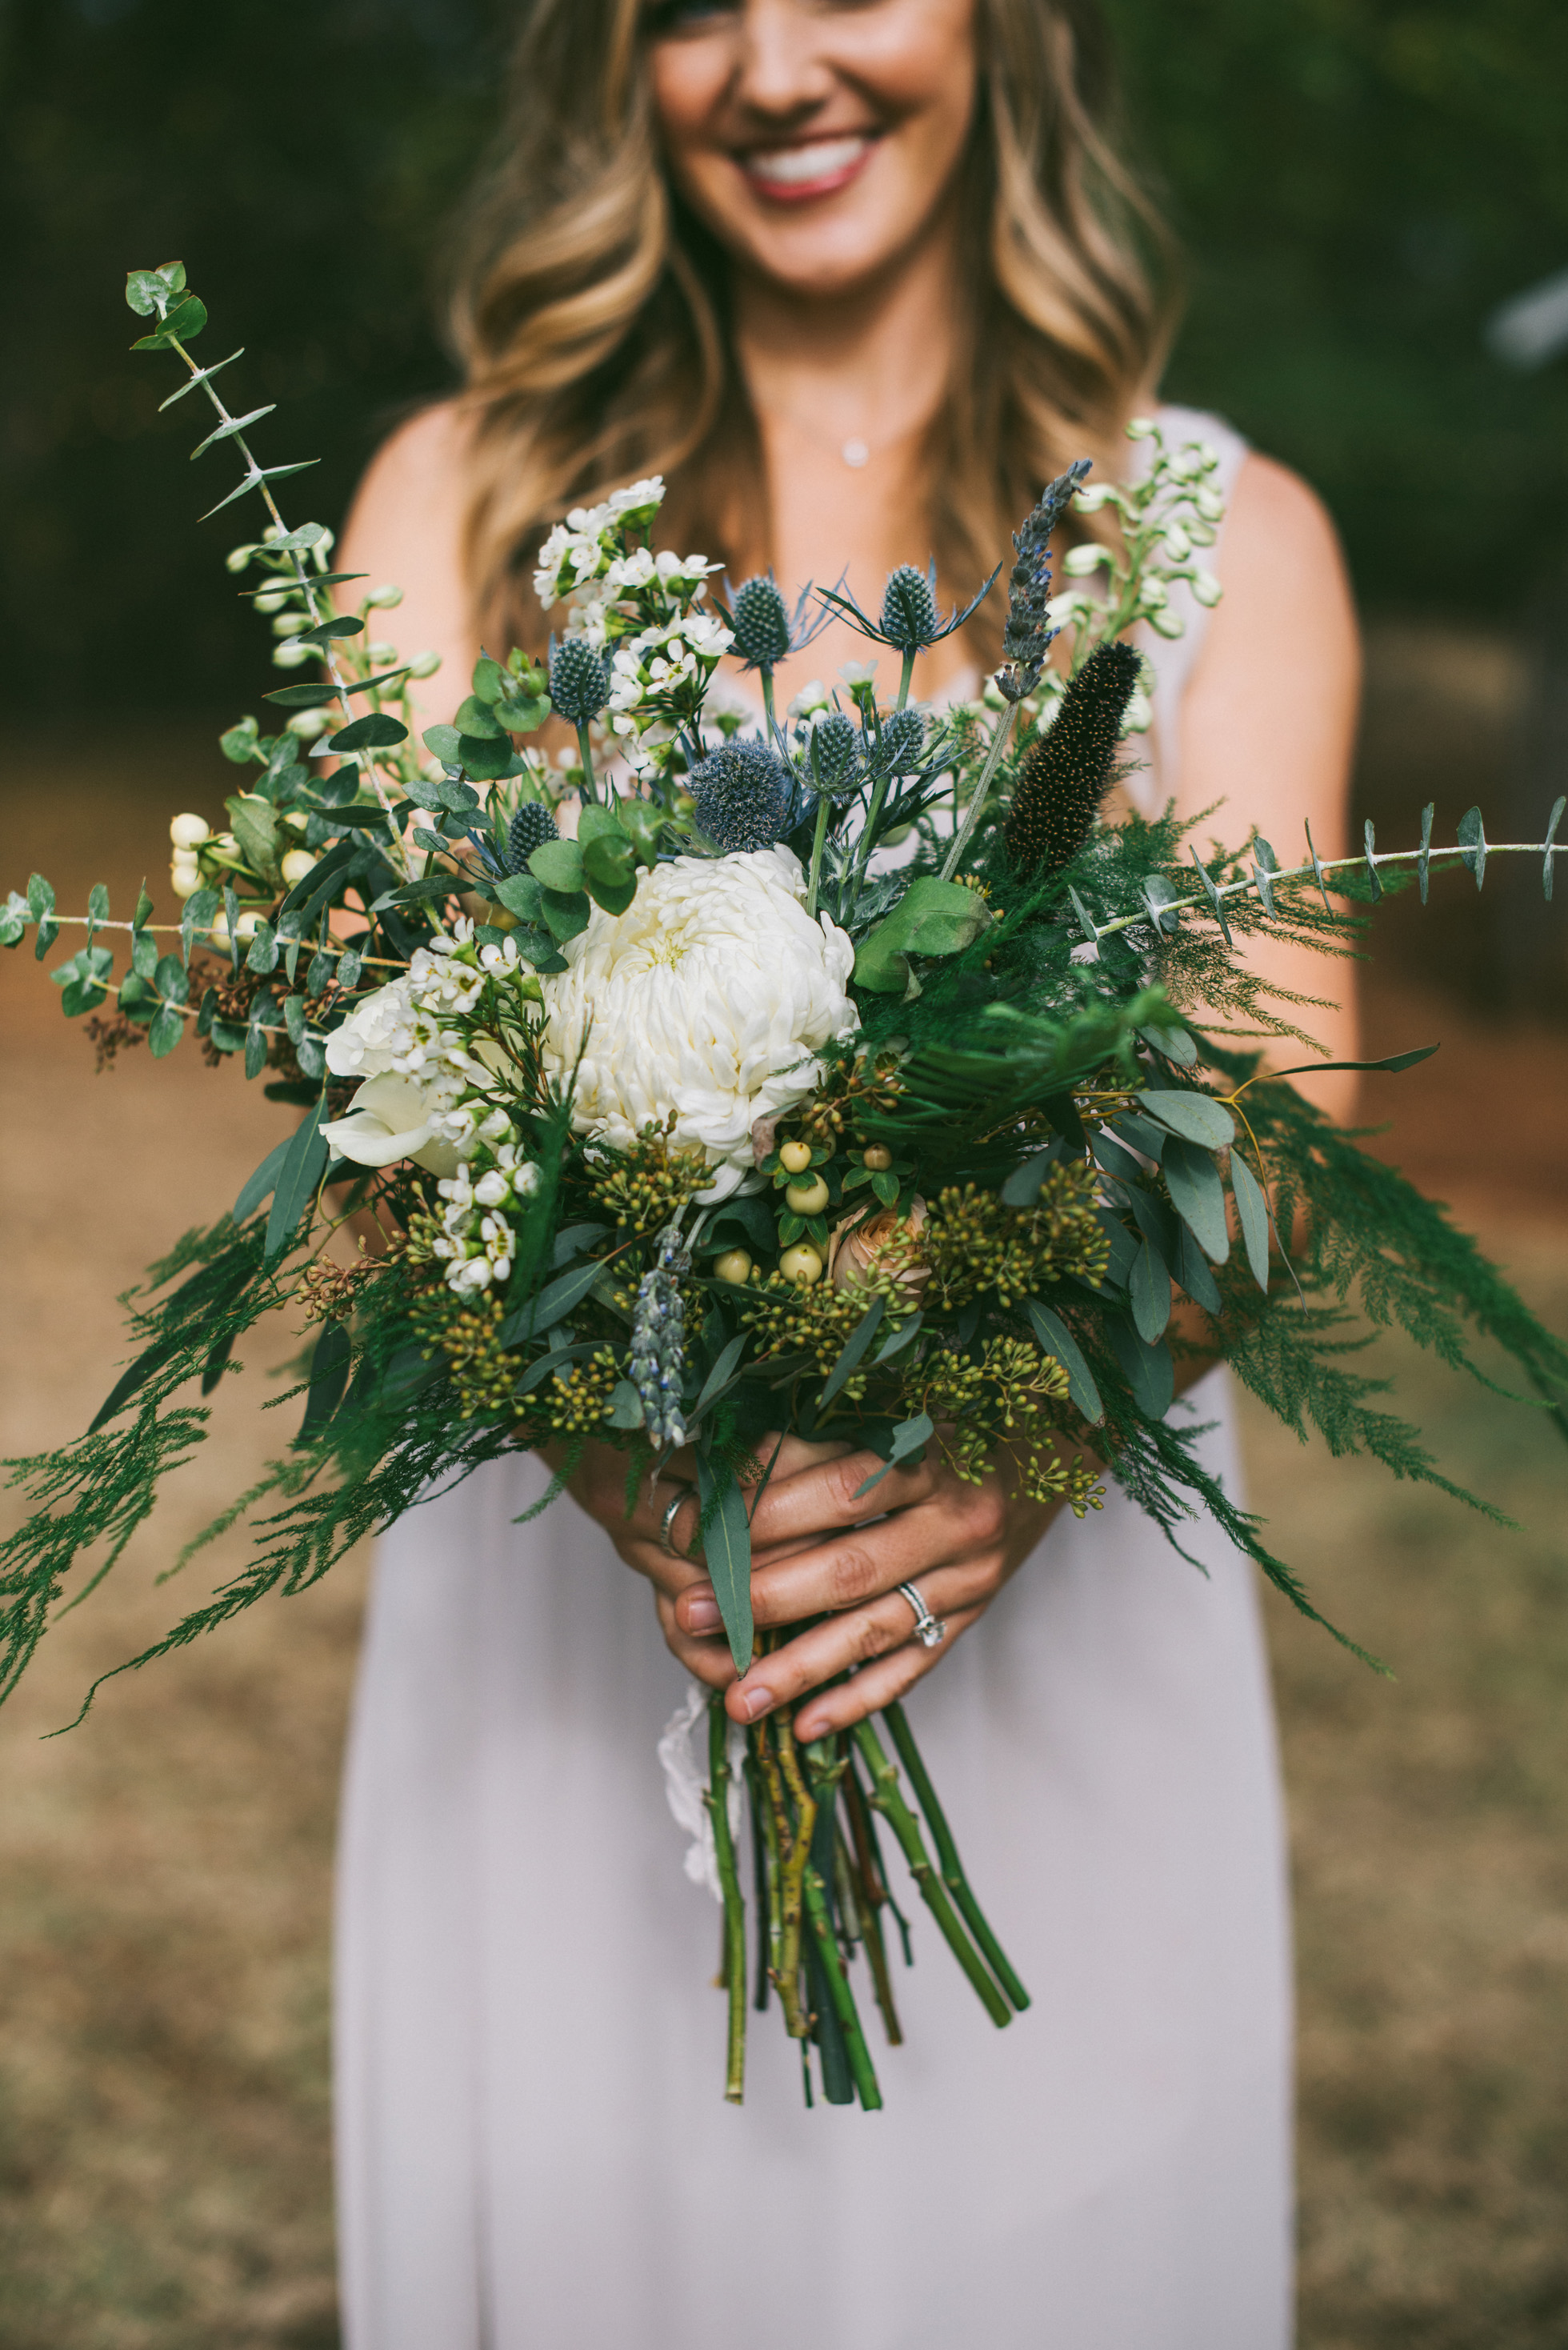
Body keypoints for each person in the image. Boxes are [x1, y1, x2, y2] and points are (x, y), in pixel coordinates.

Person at [332, 3, 1360, 2344]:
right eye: (690, 9)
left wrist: (1011, 1446)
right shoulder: (466, 503)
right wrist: (614, 1452)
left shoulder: (1217, 536)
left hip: (1052, 1601)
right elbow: (367, 1074)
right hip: (570, 1641)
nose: (777, 65)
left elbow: (1283, 1127)